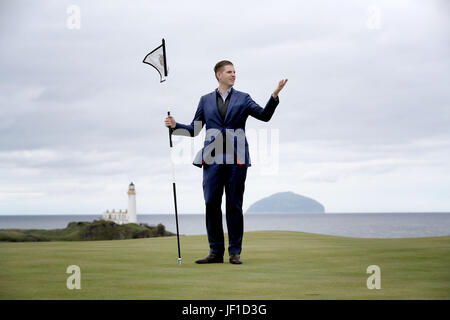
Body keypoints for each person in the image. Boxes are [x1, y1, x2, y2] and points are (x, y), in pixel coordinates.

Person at [164, 60, 287, 264]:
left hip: (236, 159)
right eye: (229, 72)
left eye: (235, 72)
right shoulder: (205, 100)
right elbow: (194, 130)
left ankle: (234, 252)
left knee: (234, 205)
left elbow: (265, 116)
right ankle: (215, 252)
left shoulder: (243, 98)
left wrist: (275, 95)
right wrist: (175, 125)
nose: (233, 75)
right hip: (211, 158)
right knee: (211, 203)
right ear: (218, 75)